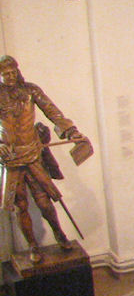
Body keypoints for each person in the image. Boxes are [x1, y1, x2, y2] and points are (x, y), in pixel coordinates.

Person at [0, 55, 88, 263]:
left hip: (32, 154)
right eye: (5, 74)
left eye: (13, 72)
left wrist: (71, 131)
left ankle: (60, 234)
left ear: (17, 71)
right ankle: (33, 245)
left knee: (44, 201)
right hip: (11, 158)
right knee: (21, 205)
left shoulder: (31, 90)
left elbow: (52, 111)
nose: (10, 76)